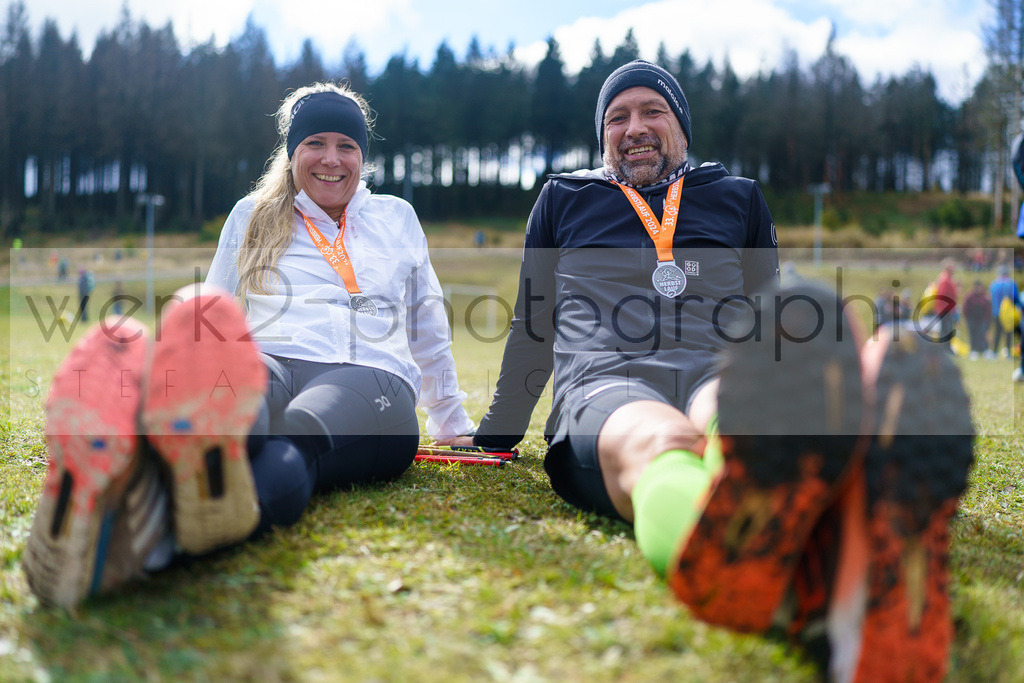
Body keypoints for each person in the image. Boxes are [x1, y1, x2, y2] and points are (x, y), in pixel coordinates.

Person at [441, 60, 974, 681]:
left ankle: (812, 516)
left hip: (716, 372)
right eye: (617, 117)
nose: (634, 127)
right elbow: (533, 327)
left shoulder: (737, 197)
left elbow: (767, 318)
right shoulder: (563, 199)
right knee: (660, 442)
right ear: (603, 136)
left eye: (652, 112)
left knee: (731, 419)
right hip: (607, 381)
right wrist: (497, 435)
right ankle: (809, 572)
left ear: (682, 128)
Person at [23, 82, 474, 607]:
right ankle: (147, 464)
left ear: (363, 156)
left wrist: (451, 423)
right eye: (316, 143)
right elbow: (211, 318)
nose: (332, 159)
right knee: (234, 420)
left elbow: (427, 323)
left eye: (346, 146)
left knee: (299, 440)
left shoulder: (397, 217)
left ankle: (144, 534)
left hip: (367, 373)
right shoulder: (251, 214)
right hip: (267, 359)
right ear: (291, 152)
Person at [989, 264, 1019, 358]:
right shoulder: (1011, 283)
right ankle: (1008, 353)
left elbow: (991, 298)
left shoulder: (994, 284)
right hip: (1007, 314)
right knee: (1009, 333)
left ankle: (994, 352)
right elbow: (1015, 298)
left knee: (997, 332)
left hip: (996, 312)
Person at [962, 280, 991, 359]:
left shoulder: (984, 296)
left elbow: (988, 308)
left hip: (982, 319)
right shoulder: (969, 296)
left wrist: (987, 319)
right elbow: (965, 308)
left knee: (982, 334)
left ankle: (984, 350)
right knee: (973, 334)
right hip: (972, 319)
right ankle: (973, 351)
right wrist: (967, 318)